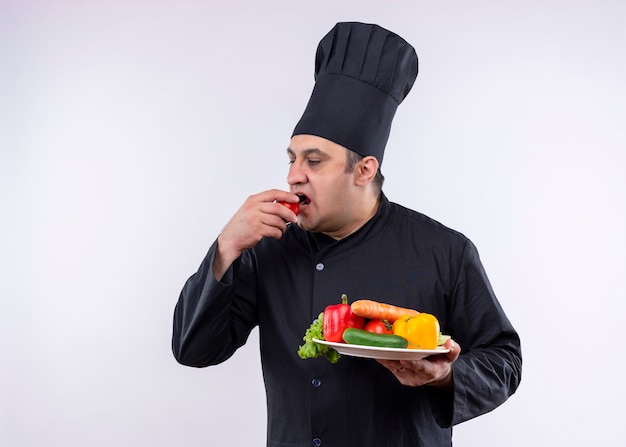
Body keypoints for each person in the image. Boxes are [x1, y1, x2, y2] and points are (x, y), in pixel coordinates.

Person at [172, 21, 522, 447]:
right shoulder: (267, 249)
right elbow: (194, 351)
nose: (293, 175)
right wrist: (226, 249)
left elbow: (504, 362)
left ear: (364, 169)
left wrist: (446, 375)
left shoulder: (444, 251)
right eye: (293, 158)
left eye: (314, 162)